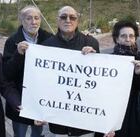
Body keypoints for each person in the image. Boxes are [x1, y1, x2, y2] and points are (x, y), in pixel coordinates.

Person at [40, 6, 99, 137]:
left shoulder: (91, 42)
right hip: (59, 120)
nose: (68, 20)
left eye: (72, 17)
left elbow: (98, 80)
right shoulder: (46, 46)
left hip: (84, 120)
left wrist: (95, 58)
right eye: (63, 17)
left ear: (77, 21)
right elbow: (42, 82)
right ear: (57, 20)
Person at [95, 20, 140, 137]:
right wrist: (90, 56)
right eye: (123, 36)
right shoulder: (108, 60)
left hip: (133, 114)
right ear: (117, 39)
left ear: (135, 38)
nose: (128, 39)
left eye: (131, 36)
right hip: (111, 113)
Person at [2, 5, 53, 137]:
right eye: (28, 18)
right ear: (21, 20)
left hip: (40, 99)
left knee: (37, 133)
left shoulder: (49, 38)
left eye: (36, 18)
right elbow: (7, 73)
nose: (33, 22)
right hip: (20, 100)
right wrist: (18, 54)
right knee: (20, 133)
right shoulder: (12, 41)